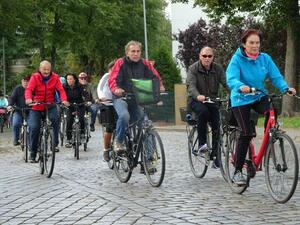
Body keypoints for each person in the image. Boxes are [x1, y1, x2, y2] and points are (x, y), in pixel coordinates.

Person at [226, 28, 296, 185]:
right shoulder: (237, 59)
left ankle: (269, 138)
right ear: (244, 44)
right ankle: (238, 171)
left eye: (257, 42)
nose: (255, 45)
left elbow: (276, 76)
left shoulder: (265, 58)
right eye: (251, 42)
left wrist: (285, 88)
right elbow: (231, 78)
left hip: (258, 95)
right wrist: (240, 86)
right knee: (246, 133)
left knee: (272, 109)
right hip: (240, 98)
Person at [108, 40, 165, 152]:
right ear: (127, 53)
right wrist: (116, 89)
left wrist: (160, 86)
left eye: (138, 51)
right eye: (133, 51)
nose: (136, 54)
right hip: (121, 98)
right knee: (124, 116)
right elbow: (112, 79)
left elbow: (155, 77)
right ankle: (119, 141)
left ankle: (149, 161)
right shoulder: (120, 62)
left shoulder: (145, 63)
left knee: (146, 125)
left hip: (137, 99)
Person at [186, 46, 227, 168]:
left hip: (212, 101)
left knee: (217, 124)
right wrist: (198, 96)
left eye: (210, 56)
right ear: (200, 56)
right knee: (203, 112)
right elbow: (191, 86)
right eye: (204, 56)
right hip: (196, 101)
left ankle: (216, 155)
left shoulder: (217, 69)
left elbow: (226, 83)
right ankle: (202, 144)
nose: (207, 58)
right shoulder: (193, 69)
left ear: (213, 57)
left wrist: (236, 90)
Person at [25, 60, 68, 163]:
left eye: (48, 69)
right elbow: (29, 89)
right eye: (44, 69)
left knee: (55, 119)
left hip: (50, 105)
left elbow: (60, 90)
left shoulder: (55, 77)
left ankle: (55, 143)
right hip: (37, 106)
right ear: (40, 69)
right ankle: (33, 153)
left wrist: (64, 100)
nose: (46, 71)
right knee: (34, 127)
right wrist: (29, 99)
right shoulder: (35, 77)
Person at [97, 60, 115, 161]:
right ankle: (106, 149)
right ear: (109, 70)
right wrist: (102, 97)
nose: (114, 71)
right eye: (112, 69)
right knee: (109, 128)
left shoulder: (121, 76)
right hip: (107, 104)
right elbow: (99, 88)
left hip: (118, 103)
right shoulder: (106, 76)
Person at [63, 73, 86, 148]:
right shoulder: (64, 87)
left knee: (81, 118)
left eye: (71, 79)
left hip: (80, 105)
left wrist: (88, 101)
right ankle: (69, 139)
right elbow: (62, 95)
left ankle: (82, 134)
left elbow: (85, 94)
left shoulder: (79, 86)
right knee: (69, 120)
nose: (69, 80)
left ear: (74, 79)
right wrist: (63, 101)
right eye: (68, 79)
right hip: (69, 106)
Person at [8, 75, 30, 146]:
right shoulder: (18, 88)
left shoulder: (32, 89)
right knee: (16, 124)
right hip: (18, 110)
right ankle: (16, 139)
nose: (26, 83)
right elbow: (12, 98)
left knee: (32, 125)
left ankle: (31, 141)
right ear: (22, 81)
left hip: (30, 111)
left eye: (27, 81)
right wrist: (10, 105)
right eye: (24, 81)